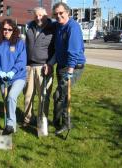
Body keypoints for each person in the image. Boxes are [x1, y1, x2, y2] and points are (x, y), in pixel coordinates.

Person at [52, 2, 86, 134]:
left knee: (63, 95)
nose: (58, 16)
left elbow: (74, 51)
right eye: (56, 14)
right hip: (61, 66)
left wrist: (70, 70)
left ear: (68, 13)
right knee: (58, 95)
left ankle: (66, 124)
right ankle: (56, 121)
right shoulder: (58, 26)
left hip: (73, 67)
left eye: (61, 13)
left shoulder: (73, 27)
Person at [0, 19, 27, 134]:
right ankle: (11, 127)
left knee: (11, 97)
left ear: (14, 30)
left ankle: (10, 124)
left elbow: (22, 60)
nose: (6, 31)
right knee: (7, 101)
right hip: (2, 78)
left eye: (9, 29)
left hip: (18, 77)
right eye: (4, 29)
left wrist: (12, 72)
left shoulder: (19, 43)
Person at [23, 7, 55, 129]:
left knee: (44, 96)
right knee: (28, 95)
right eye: (36, 16)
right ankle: (27, 119)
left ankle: (42, 121)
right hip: (29, 67)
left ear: (46, 15)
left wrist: (51, 64)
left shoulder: (53, 29)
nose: (38, 18)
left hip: (44, 67)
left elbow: (56, 49)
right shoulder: (29, 27)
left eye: (41, 15)